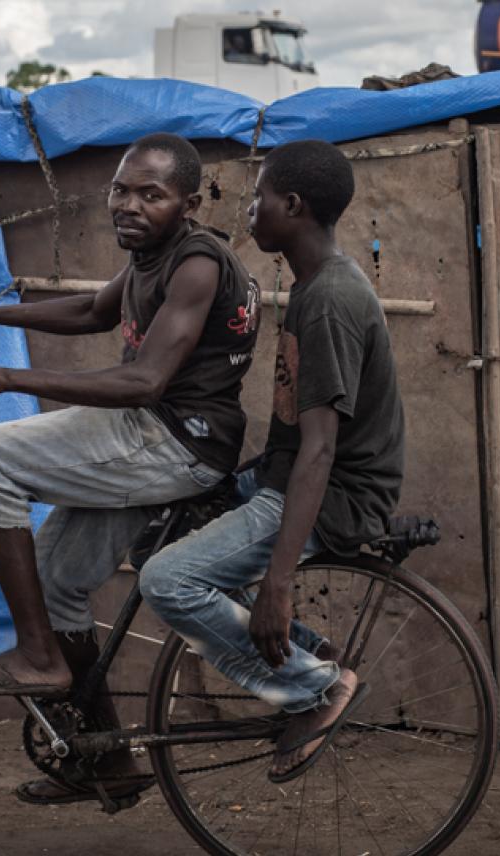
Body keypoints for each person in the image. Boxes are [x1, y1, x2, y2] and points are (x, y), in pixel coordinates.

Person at [0, 132, 261, 804]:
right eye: (121, 189)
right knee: (52, 579)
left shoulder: (196, 265)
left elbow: (143, 383)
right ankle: (108, 761)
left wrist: (8, 375)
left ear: (188, 202)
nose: (128, 204)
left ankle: (38, 656)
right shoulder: (148, 258)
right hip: (148, 436)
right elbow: (91, 310)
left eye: (150, 194)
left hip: (173, 440)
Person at [138, 139, 404, 783]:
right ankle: (312, 657)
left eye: (258, 197)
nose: (249, 210)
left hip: (333, 493)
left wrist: (278, 586)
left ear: (291, 204)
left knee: (167, 580)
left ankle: (316, 687)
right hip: (289, 475)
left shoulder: (332, 301)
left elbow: (319, 449)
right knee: (163, 524)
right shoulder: (313, 286)